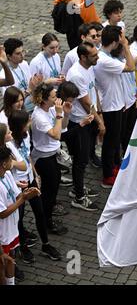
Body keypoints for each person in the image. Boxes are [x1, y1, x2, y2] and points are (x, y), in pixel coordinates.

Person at [8, 112, 63, 263]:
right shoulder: (9, 144)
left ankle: (46, 245)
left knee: (39, 212)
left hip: (30, 180)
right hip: (18, 185)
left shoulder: (26, 135)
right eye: (27, 121)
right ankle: (23, 248)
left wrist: (35, 174)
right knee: (19, 218)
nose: (30, 122)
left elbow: (28, 156)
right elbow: (18, 164)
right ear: (20, 125)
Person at [94, 26, 135, 188]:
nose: (123, 41)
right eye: (121, 39)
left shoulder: (105, 56)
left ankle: (113, 168)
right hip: (110, 106)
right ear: (114, 42)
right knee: (111, 142)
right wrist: (126, 46)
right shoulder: (105, 60)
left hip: (116, 102)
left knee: (115, 140)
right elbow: (131, 66)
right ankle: (108, 175)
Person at [31, 83, 72, 235]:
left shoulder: (52, 109)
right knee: (49, 191)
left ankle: (49, 216)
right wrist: (60, 115)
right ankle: (47, 221)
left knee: (54, 187)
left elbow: (63, 127)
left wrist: (65, 114)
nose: (57, 100)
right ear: (44, 99)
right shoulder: (39, 116)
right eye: (54, 97)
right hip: (43, 158)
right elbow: (56, 135)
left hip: (51, 155)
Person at [0, 145, 41, 285]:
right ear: (4, 163)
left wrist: (27, 193)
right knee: (3, 265)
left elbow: (17, 196)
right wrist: (23, 199)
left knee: (11, 259)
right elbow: (2, 213)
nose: (13, 160)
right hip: (2, 233)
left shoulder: (7, 174)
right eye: (10, 159)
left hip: (11, 229)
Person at [57, 80, 98, 211]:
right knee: (79, 162)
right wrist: (81, 124)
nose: (74, 101)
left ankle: (78, 187)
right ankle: (78, 196)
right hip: (76, 129)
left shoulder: (65, 105)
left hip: (77, 127)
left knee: (81, 161)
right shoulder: (58, 108)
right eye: (72, 98)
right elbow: (62, 135)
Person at [2, 39, 43, 113]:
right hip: (19, 111)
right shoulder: (3, 75)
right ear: (9, 56)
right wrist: (29, 90)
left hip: (33, 104)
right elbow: (11, 101)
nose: (22, 55)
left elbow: (31, 84)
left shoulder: (24, 63)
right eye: (18, 53)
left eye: (23, 52)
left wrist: (37, 83)